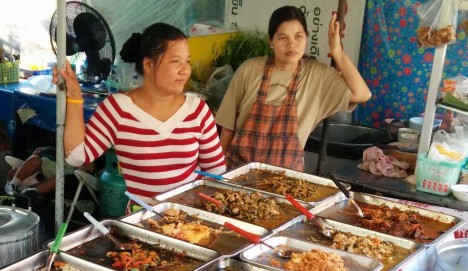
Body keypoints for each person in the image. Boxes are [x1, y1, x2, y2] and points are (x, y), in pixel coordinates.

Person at [54, 23, 226, 200]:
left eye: (187, 61)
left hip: (192, 221)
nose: (185, 70)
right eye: (175, 61)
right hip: (142, 220)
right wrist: (75, 96)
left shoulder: (197, 110)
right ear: (149, 65)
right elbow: (76, 156)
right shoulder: (118, 109)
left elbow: (216, 171)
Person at [215, 5, 371, 171]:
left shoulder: (317, 76)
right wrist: (217, 171)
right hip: (239, 173)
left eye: (298, 36)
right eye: (283, 37)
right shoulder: (249, 70)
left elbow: (362, 94)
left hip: (286, 181)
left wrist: (337, 51)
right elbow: (227, 128)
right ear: (271, 40)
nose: (292, 44)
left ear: (307, 37)